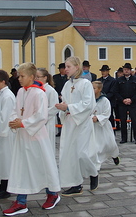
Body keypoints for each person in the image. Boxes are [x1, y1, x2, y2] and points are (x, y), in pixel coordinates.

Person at [3, 63, 60, 216]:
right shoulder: (21, 91)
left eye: (22, 76)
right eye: (19, 76)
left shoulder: (39, 93)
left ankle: (53, 193)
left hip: (36, 136)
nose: (19, 79)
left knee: (42, 166)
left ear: (32, 77)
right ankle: (21, 202)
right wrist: (14, 120)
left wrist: (23, 123)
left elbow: (41, 115)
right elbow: (15, 110)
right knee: (22, 167)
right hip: (22, 136)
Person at [55, 56, 99, 196]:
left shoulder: (85, 84)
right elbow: (65, 102)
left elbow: (89, 105)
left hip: (82, 123)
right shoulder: (67, 84)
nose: (65, 69)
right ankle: (75, 184)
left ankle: (93, 172)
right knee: (69, 154)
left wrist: (68, 107)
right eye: (65, 67)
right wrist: (63, 108)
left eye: (68, 66)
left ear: (77, 67)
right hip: (69, 122)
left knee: (81, 153)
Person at [0, 70, 16, 200]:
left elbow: (5, 117)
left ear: (3, 82)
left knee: (6, 160)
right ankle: (3, 185)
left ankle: (5, 187)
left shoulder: (8, 96)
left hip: (5, 133)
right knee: (0, 160)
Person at [92, 81, 120, 168]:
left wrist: (98, 118)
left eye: (94, 88)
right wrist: (91, 117)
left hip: (103, 126)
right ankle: (97, 164)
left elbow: (107, 113)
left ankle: (114, 155)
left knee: (110, 144)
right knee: (96, 145)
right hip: (93, 126)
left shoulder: (105, 100)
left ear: (99, 89)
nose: (91, 90)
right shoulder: (89, 100)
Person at [112, 63, 136, 144]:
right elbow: (116, 92)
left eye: (128, 69)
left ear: (130, 70)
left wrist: (131, 100)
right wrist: (123, 100)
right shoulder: (119, 80)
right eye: (125, 69)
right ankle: (123, 138)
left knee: (134, 121)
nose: (126, 71)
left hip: (133, 103)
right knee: (123, 121)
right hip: (122, 104)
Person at [36, 68, 59, 154]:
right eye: (35, 77)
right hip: (36, 122)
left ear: (45, 77)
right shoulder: (36, 90)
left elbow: (55, 107)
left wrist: (42, 115)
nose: (36, 79)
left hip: (47, 122)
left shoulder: (50, 91)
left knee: (46, 148)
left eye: (38, 77)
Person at [53, 63, 68, 137]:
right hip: (58, 97)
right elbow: (54, 87)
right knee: (58, 114)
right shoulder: (55, 77)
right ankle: (59, 130)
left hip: (65, 99)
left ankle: (63, 129)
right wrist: (58, 95)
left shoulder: (67, 78)